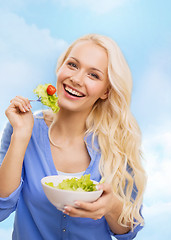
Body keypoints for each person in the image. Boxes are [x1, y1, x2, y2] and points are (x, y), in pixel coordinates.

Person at [0, 34, 147, 240]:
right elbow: (1, 208)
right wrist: (21, 136)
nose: (76, 79)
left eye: (93, 75)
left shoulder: (118, 142)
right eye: (72, 65)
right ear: (60, 68)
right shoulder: (23, 128)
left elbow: (128, 231)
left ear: (106, 91)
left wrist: (111, 206)